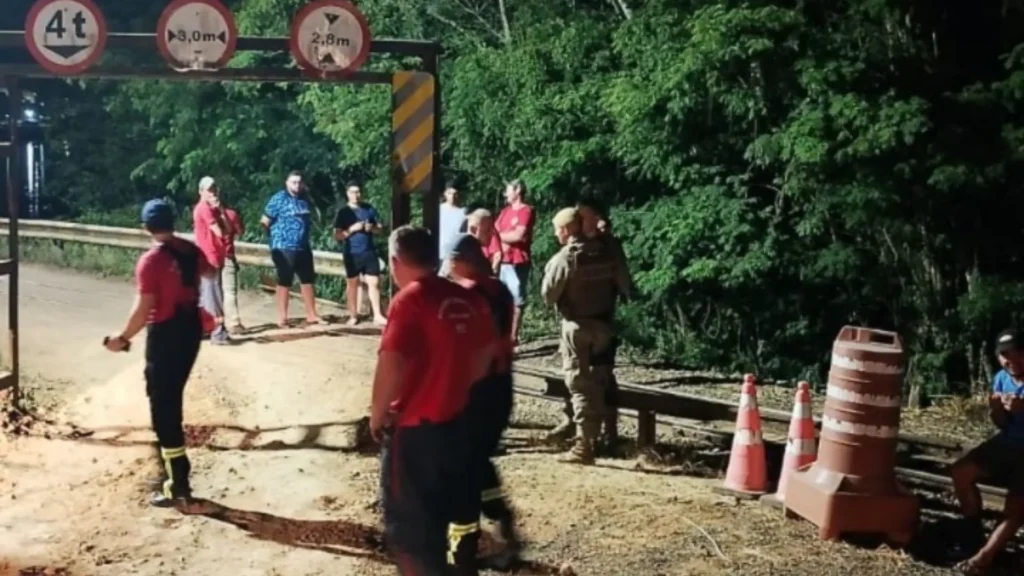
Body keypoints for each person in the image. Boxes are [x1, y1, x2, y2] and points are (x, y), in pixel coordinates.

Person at [370, 226, 498, 575]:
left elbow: (391, 362)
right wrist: (456, 388)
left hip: (415, 432)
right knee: (451, 512)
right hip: (460, 426)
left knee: (412, 529)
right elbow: (486, 354)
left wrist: (378, 414)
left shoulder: (410, 300)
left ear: (395, 261)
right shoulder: (468, 298)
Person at [104, 199, 210, 507]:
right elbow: (211, 271)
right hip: (190, 330)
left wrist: (122, 338)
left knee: (163, 406)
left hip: (165, 335)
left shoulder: (150, 261)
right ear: (173, 222)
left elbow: (144, 309)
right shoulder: (189, 250)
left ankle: (178, 482)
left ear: (145, 228)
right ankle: (177, 475)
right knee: (171, 398)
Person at [443, 233, 523, 570]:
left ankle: (469, 542)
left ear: (461, 260)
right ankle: (499, 521)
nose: (448, 268)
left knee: (465, 462)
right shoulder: (499, 290)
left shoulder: (468, 294)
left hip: (477, 390)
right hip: (501, 387)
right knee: (478, 459)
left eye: (451, 261)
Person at [541, 207, 631, 464]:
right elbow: (624, 285)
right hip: (603, 326)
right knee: (602, 381)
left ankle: (584, 445)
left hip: (576, 328)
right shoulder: (606, 253)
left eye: (557, 229)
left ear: (566, 230)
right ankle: (607, 437)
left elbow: (548, 296)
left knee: (579, 385)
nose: (556, 234)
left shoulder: (565, 258)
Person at [950, 328, 1024, 574]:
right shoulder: (1001, 378)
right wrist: (997, 410)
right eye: (1004, 355)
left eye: (1017, 352)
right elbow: (1002, 424)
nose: (1011, 360)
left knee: (1015, 507)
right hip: (1007, 444)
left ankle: (984, 558)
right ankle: (973, 535)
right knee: (961, 472)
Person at [261, 170, 321, 328]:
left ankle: (311, 314)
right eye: (294, 182)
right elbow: (265, 221)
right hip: (284, 246)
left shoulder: (304, 200)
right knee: (285, 280)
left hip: (303, 246)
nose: (297, 185)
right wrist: (274, 239)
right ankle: (282, 317)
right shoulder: (278, 199)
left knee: (307, 279)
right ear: (287, 183)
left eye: (299, 182)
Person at [333, 182, 387, 326]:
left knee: (374, 282)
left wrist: (372, 228)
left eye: (358, 192)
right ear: (347, 194)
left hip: (369, 251)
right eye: (352, 192)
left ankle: (377, 315)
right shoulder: (343, 212)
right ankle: (353, 315)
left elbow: (381, 229)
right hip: (351, 252)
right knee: (352, 283)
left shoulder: (369, 208)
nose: (355, 195)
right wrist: (352, 229)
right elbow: (337, 235)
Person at [494, 180, 536, 347]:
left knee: (517, 299)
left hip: (518, 260)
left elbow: (519, 235)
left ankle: (513, 338)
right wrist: (504, 237)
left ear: (517, 191)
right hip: (502, 261)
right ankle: (502, 336)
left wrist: (500, 237)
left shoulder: (527, 211)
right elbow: (494, 230)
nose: (506, 193)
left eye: (508, 190)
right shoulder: (505, 211)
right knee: (501, 299)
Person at [192, 177, 230, 345]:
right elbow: (220, 232)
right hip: (209, 256)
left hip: (212, 256)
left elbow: (228, 230)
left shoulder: (212, 209)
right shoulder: (204, 209)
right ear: (201, 192)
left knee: (205, 295)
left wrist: (220, 210)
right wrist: (218, 214)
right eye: (209, 190)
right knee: (213, 295)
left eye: (214, 189)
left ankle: (202, 329)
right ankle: (218, 332)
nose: (213, 192)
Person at [220, 196, 245, 333]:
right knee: (230, 291)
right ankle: (234, 322)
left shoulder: (203, 213)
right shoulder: (231, 214)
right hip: (227, 255)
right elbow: (240, 232)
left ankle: (215, 324)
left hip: (210, 256)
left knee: (212, 292)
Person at [467, 208, 502, 275]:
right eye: (488, 229)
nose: (492, 233)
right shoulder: (464, 256)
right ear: (474, 230)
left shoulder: (479, 256)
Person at [438, 183, 467, 262]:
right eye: (449, 193)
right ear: (445, 194)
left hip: (455, 252)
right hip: (439, 250)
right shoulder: (439, 210)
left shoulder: (463, 213)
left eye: (455, 194)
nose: (452, 196)